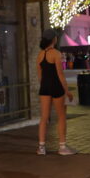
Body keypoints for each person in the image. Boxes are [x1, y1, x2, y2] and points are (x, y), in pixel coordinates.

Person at [36, 28, 77, 156]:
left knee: (44, 118)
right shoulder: (56, 54)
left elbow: (40, 76)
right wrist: (67, 91)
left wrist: (44, 85)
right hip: (56, 87)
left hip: (44, 88)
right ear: (54, 39)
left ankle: (41, 147)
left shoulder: (40, 55)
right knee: (61, 117)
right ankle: (62, 147)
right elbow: (60, 75)